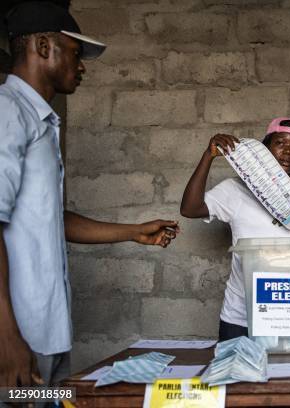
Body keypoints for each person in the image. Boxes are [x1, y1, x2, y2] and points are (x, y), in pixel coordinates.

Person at [0, 1, 179, 388]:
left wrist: (132, 232)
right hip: (17, 338)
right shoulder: (7, 112)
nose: (81, 67)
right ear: (44, 47)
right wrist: (7, 336)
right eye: (76, 53)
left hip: (44, 332)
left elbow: (47, 219)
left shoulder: (40, 121)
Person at [180, 117, 290, 341]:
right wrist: (208, 156)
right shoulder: (234, 190)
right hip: (240, 315)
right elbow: (190, 209)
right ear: (264, 150)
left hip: (287, 314)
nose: (287, 152)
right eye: (280, 143)